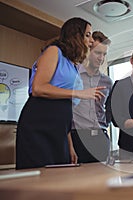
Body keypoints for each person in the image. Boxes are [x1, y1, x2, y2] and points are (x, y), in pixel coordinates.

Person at [16, 17, 105, 169]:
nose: (91, 41)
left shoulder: (73, 65)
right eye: (88, 35)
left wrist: (69, 144)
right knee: (39, 177)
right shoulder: (53, 51)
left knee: (61, 175)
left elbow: (66, 111)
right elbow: (38, 88)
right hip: (39, 123)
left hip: (59, 130)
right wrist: (79, 93)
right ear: (75, 35)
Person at [71, 31, 113, 163]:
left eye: (104, 54)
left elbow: (109, 109)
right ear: (88, 50)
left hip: (100, 136)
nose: (101, 58)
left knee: (102, 180)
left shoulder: (107, 81)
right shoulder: (73, 74)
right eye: (97, 53)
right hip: (77, 136)